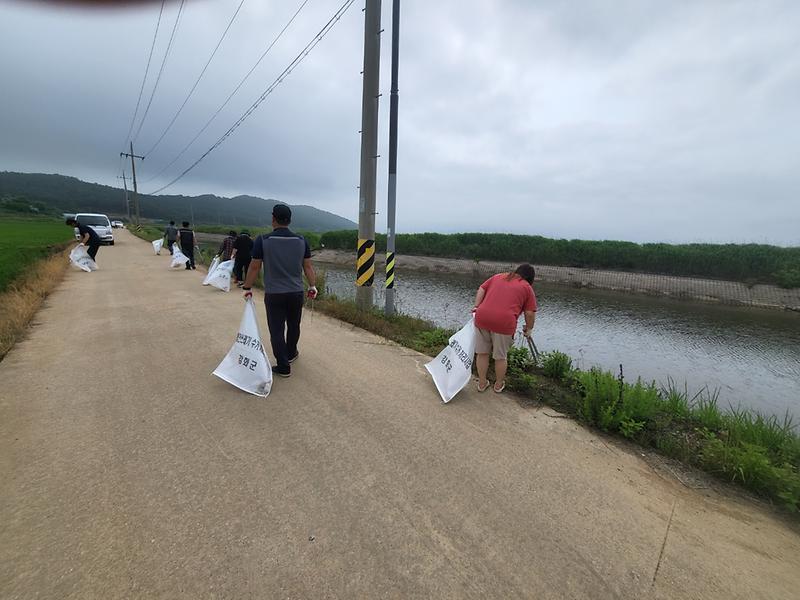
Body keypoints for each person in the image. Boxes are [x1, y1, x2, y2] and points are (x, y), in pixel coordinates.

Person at [242, 204, 317, 378]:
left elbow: (254, 267)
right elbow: (308, 266)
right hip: (296, 292)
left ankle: (283, 366)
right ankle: (291, 353)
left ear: (273, 218)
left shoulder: (263, 240)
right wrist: (312, 286)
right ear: (289, 220)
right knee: (294, 325)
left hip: (274, 294)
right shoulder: (301, 240)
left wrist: (247, 287)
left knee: (276, 329)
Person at [472, 264, 537, 393]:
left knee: (482, 353)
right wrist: (529, 328)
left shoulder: (498, 276)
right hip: (504, 323)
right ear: (530, 278)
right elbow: (530, 313)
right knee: (500, 356)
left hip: (482, 317)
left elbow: (482, 288)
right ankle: (498, 385)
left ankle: (482, 383)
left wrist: (477, 306)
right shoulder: (526, 287)